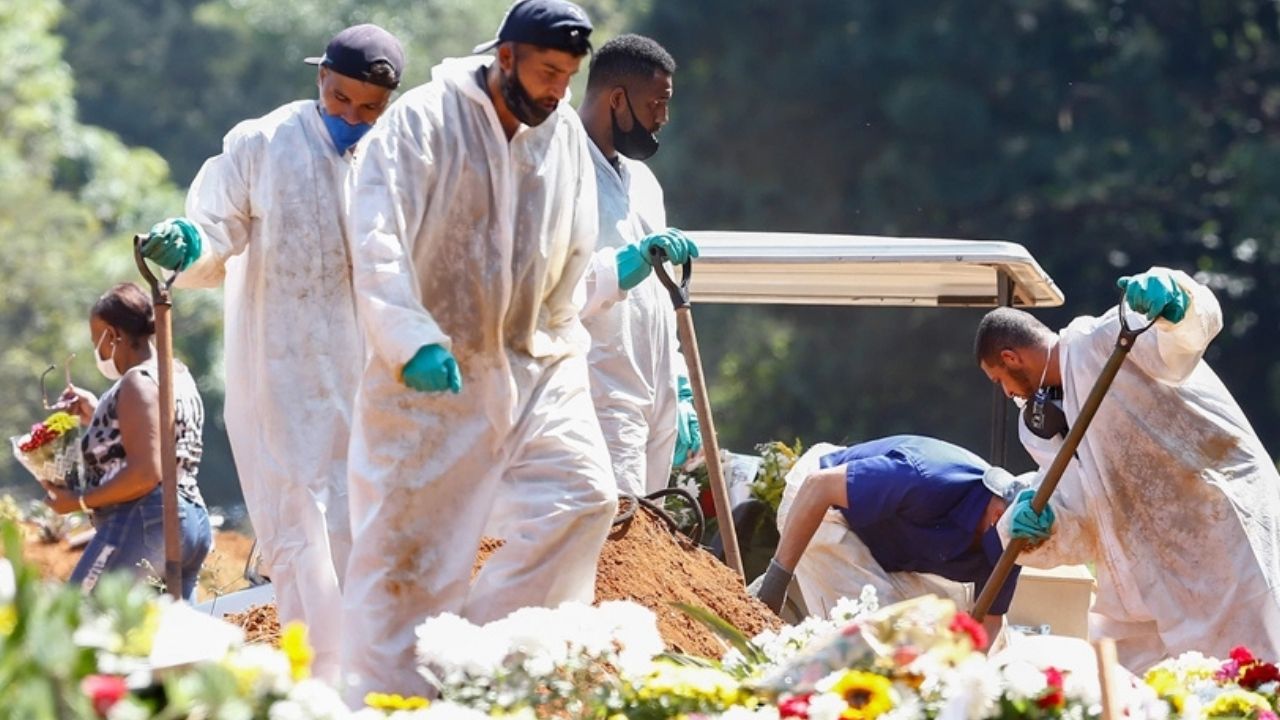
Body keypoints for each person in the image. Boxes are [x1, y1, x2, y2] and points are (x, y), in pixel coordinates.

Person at [339, 0, 692, 700]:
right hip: (430, 377)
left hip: (538, 364)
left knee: (586, 500)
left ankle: (487, 669)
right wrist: (409, 340)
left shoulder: (557, 134)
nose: (558, 91)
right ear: (505, 58)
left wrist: (602, 289)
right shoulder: (425, 122)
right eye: (547, 73)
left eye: (568, 76)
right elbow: (375, 239)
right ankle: (386, 701)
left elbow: (567, 258)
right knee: (414, 558)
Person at [136, 24, 405, 681]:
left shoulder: (394, 160)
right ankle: (320, 684)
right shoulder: (264, 142)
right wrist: (188, 245)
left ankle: (368, 680)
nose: (352, 118)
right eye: (341, 100)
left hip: (366, 379)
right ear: (321, 80)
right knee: (296, 537)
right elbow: (216, 231)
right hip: (277, 378)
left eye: (369, 108)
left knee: (362, 531)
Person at [975, 266, 1280, 671]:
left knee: (1250, 671)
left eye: (999, 378)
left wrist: (1178, 298)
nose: (1006, 391)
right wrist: (1043, 524)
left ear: (1010, 357)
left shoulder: (1107, 340)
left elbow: (1188, 332)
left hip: (1219, 542)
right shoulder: (1037, 427)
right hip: (1142, 576)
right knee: (1127, 689)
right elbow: (1078, 510)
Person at [576, 34, 702, 496]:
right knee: (613, 541)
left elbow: (660, 298)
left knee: (647, 540)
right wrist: (619, 268)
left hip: (655, 394)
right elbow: (546, 287)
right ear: (617, 99)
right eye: (656, 104)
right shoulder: (562, 170)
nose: (663, 118)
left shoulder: (644, 183)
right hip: (599, 393)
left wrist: (681, 384)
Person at [750, 435, 1032, 638]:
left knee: (944, 636)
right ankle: (763, 602)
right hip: (823, 502)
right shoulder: (925, 478)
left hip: (886, 544)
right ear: (997, 516)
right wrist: (777, 581)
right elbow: (818, 486)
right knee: (877, 636)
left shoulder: (1017, 537)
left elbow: (990, 621)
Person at [42, 283, 211, 600]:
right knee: (153, 641)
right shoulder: (176, 374)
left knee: (72, 621)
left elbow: (146, 473)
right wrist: (97, 415)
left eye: (97, 342)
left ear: (113, 335)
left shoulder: (137, 381)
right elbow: (159, 439)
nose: (99, 353)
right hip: (190, 523)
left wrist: (78, 501)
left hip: (147, 520)